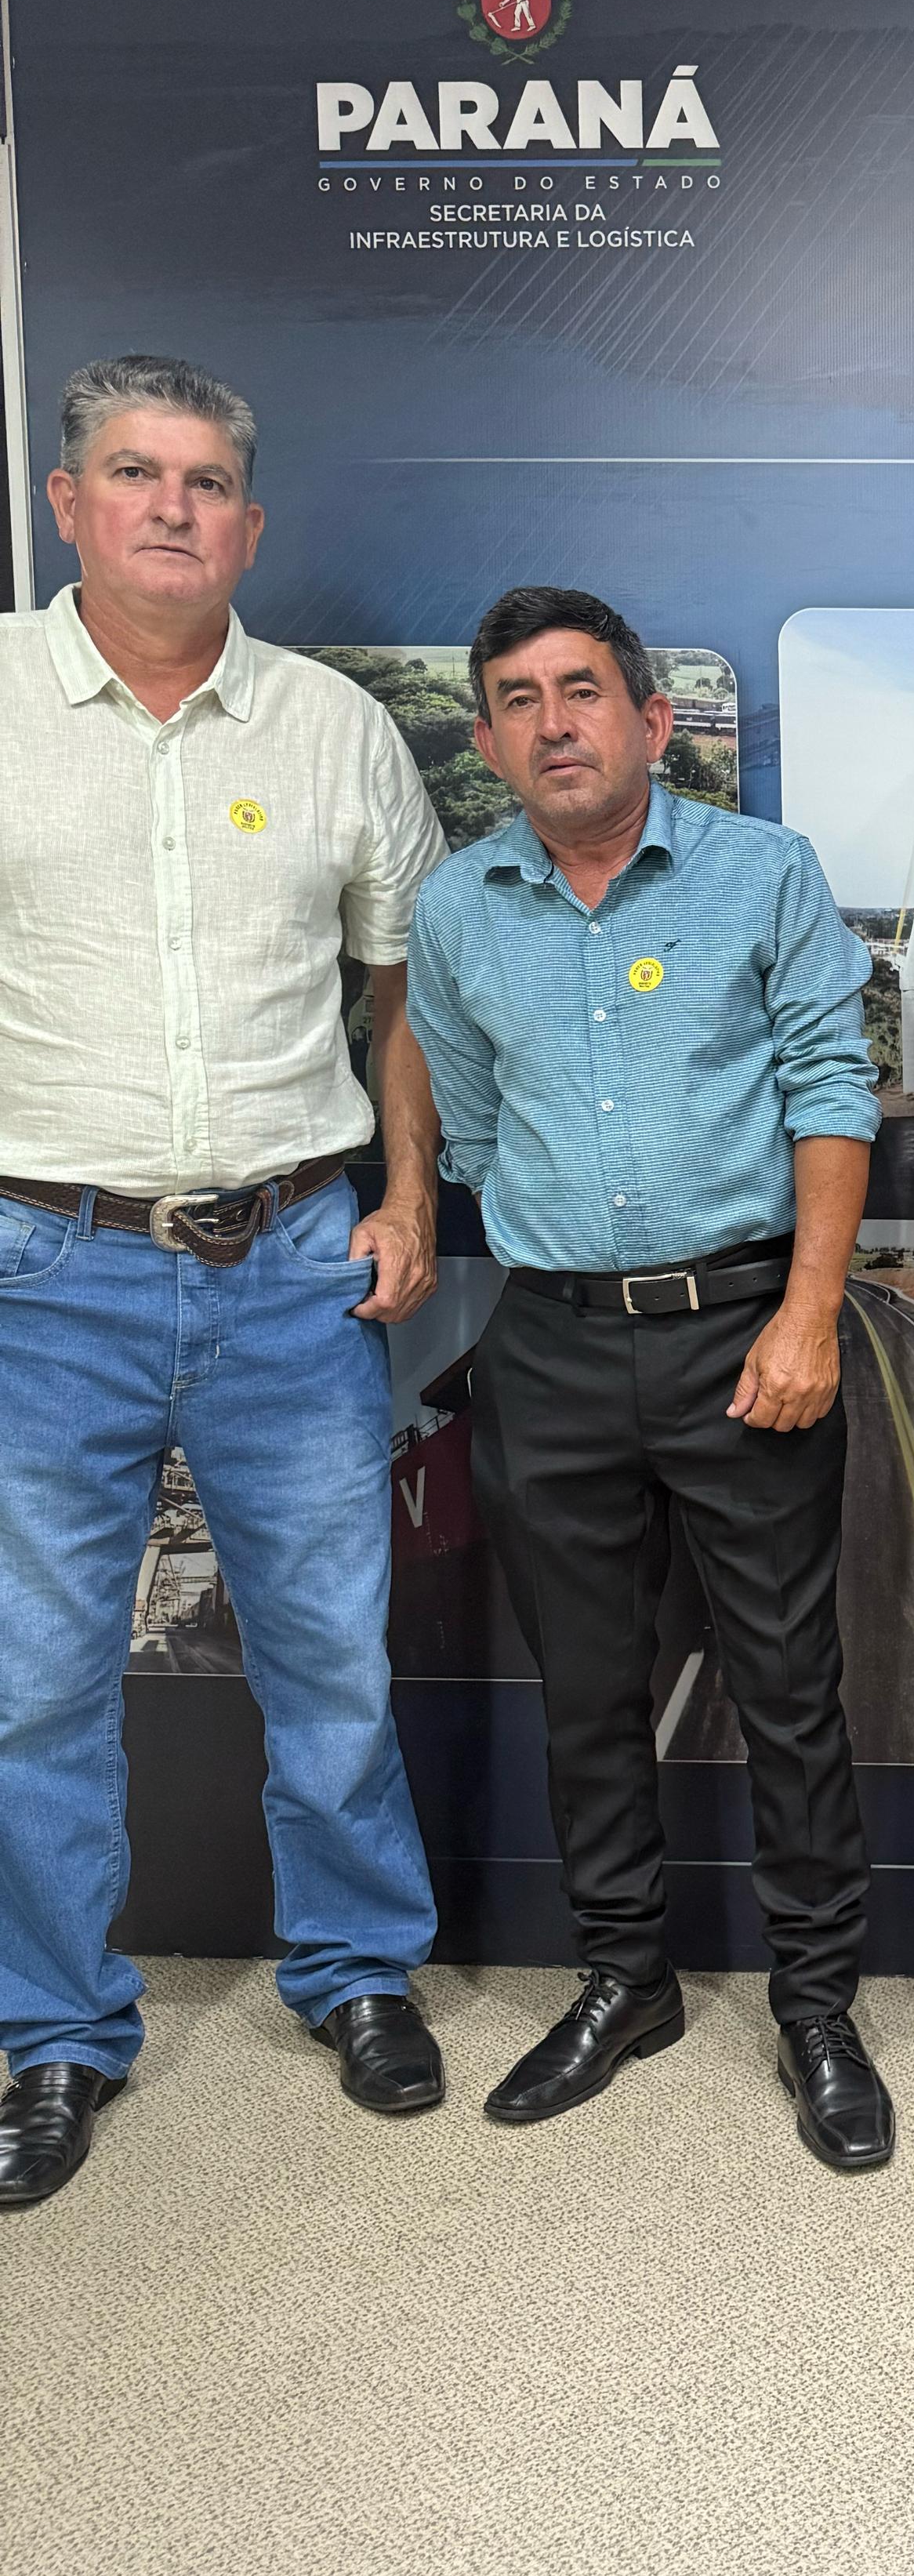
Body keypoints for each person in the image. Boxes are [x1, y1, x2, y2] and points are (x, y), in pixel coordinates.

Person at [0, 355, 450, 2207]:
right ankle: (54, 2026)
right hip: (45, 1273)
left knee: (331, 1657)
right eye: (135, 473)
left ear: (252, 526)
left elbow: (402, 990)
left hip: (289, 1269)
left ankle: (358, 1970)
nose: (171, 507)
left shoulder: (333, 729)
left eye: (204, 483)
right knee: (34, 1683)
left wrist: (407, 1192)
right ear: (67, 502)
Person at [407, 586, 894, 2170]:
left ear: (650, 720)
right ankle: (627, 1981)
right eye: (520, 701)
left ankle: (818, 2006)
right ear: (489, 742)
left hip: (744, 1327)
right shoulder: (458, 910)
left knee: (788, 1688)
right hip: (549, 1343)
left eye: (582, 691)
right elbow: (476, 1128)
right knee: (589, 1689)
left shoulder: (762, 871)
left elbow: (833, 1090)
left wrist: (807, 1313)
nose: (554, 724)